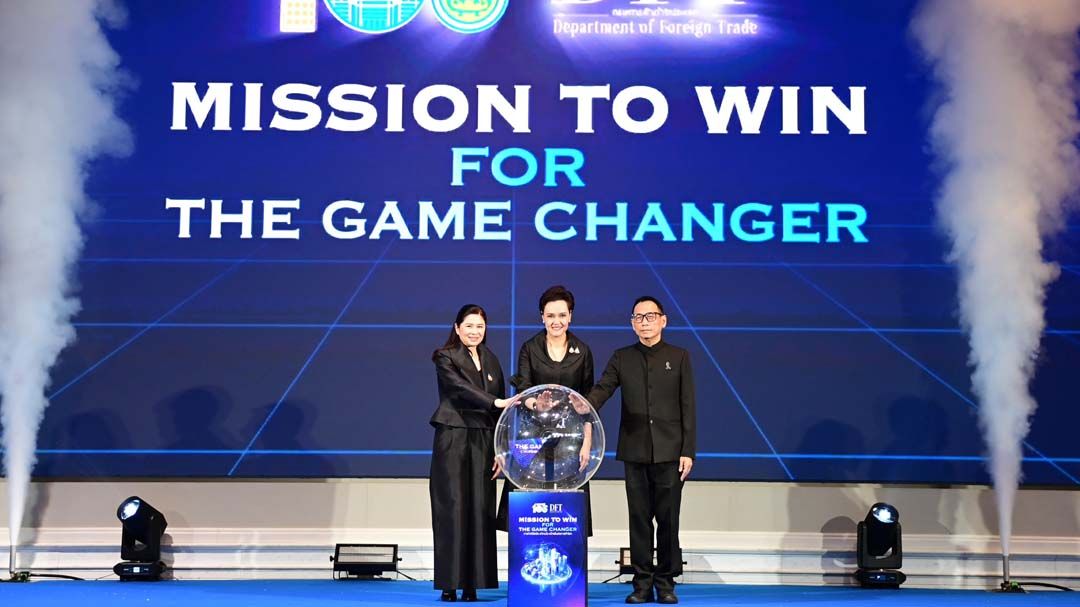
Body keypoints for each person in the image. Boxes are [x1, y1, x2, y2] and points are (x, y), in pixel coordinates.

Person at [586, 296, 696, 605]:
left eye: (650, 316)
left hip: (671, 452)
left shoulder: (679, 357)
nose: (644, 322)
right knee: (639, 519)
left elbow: (688, 406)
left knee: (668, 520)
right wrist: (582, 404)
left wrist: (688, 450)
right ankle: (642, 583)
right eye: (638, 317)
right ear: (632, 323)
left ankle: (666, 582)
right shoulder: (622, 357)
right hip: (634, 450)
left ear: (663, 320)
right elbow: (603, 389)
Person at [496, 285, 595, 535]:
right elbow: (523, 390)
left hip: (569, 438)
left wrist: (587, 443)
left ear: (570, 316)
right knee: (526, 509)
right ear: (542, 316)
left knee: (567, 513)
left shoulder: (583, 351)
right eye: (550, 315)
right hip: (531, 434)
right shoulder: (529, 348)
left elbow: (588, 403)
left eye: (562, 315)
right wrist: (535, 404)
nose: (556, 321)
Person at [429, 304, 511, 602]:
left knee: (480, 508)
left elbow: (501, 412)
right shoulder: (445, 356)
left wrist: (501, 449)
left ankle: (473, 583)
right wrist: (495, 402)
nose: (475, 331)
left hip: (484, 439)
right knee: (452, 507)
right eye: (469, 326)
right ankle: (450, 583)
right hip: (453, 436)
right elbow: (459, 388)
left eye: (480, 326)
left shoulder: (491, 359)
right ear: (457, 327)